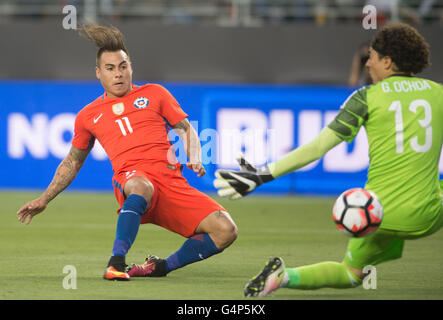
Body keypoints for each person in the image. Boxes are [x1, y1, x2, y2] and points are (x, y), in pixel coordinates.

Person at [214, 22, 442, 297]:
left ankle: (283, 278)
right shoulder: (437, 93)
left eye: (371, 56)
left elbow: (318, 147)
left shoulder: (365, 98)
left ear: (388, 61)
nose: (367, 64)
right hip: (430, 214)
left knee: (349, 273)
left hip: (377, 215)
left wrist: (262, 174)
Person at [17, 24, 238, 281]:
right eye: (110, 68)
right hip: (132, 180)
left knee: (226, 230)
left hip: (171, 183)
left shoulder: (155, 94)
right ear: (98, 73)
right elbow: (73, 161)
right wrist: (45, 198)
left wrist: (196, 157)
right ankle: (116, 263)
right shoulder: (88, 116)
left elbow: (186, 130)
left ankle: (160, 267)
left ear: (131, 67)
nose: (118, 74)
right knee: (141, 185)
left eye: (123, 66)